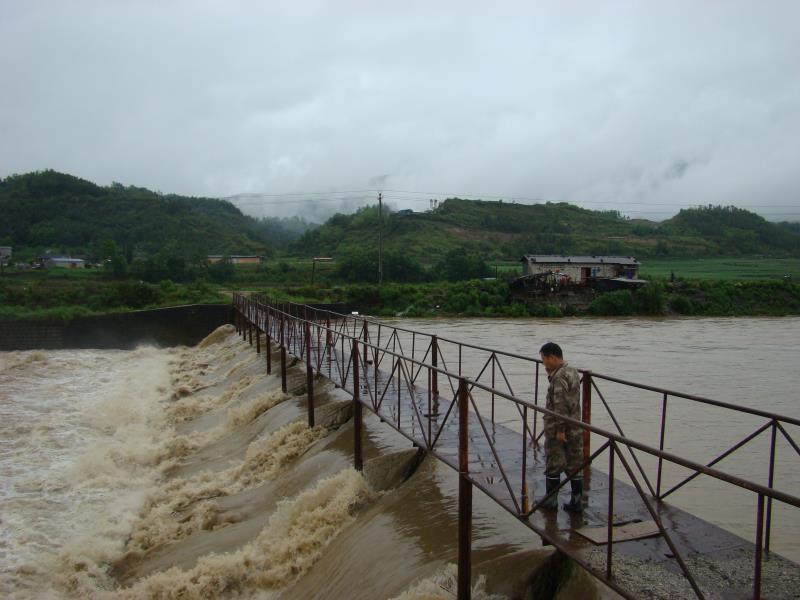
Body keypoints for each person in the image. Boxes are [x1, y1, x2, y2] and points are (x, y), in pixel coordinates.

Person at [539, 342, 584, 512]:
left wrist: (559, 430)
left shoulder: (558, 377)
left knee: (554, 461)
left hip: (559, 427)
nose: (543, 364)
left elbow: (560, 406)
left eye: (544, 360)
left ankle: (551, 501)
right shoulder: (572, 370)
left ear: (552, 357)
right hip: (575, 425)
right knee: (575, 463)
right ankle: (576, 501)